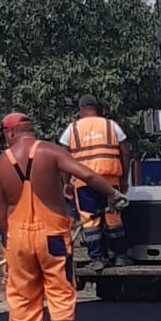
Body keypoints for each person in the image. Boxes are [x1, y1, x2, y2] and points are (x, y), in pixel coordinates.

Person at [0, 111, 128, 321]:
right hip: (52, 237)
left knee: (21, 295)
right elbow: (86, 176)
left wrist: (9, 245)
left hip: (17, 239)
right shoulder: (50, 152)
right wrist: (113, 193)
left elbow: (0, 211)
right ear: (29, 129)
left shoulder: (0, 164)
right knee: (60, 292)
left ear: (9, 133)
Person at [59, 94, 130, 268]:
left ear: (81, 110)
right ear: (96, 108)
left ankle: (97, 259)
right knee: (113, 217)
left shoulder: (72, 129)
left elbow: (63, 158)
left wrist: (66, 183)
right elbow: (125, 152)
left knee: (90, 221)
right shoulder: (111, 125)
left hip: (84, 182)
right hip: (109, 180)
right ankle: (119, 256)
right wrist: (124, 179)